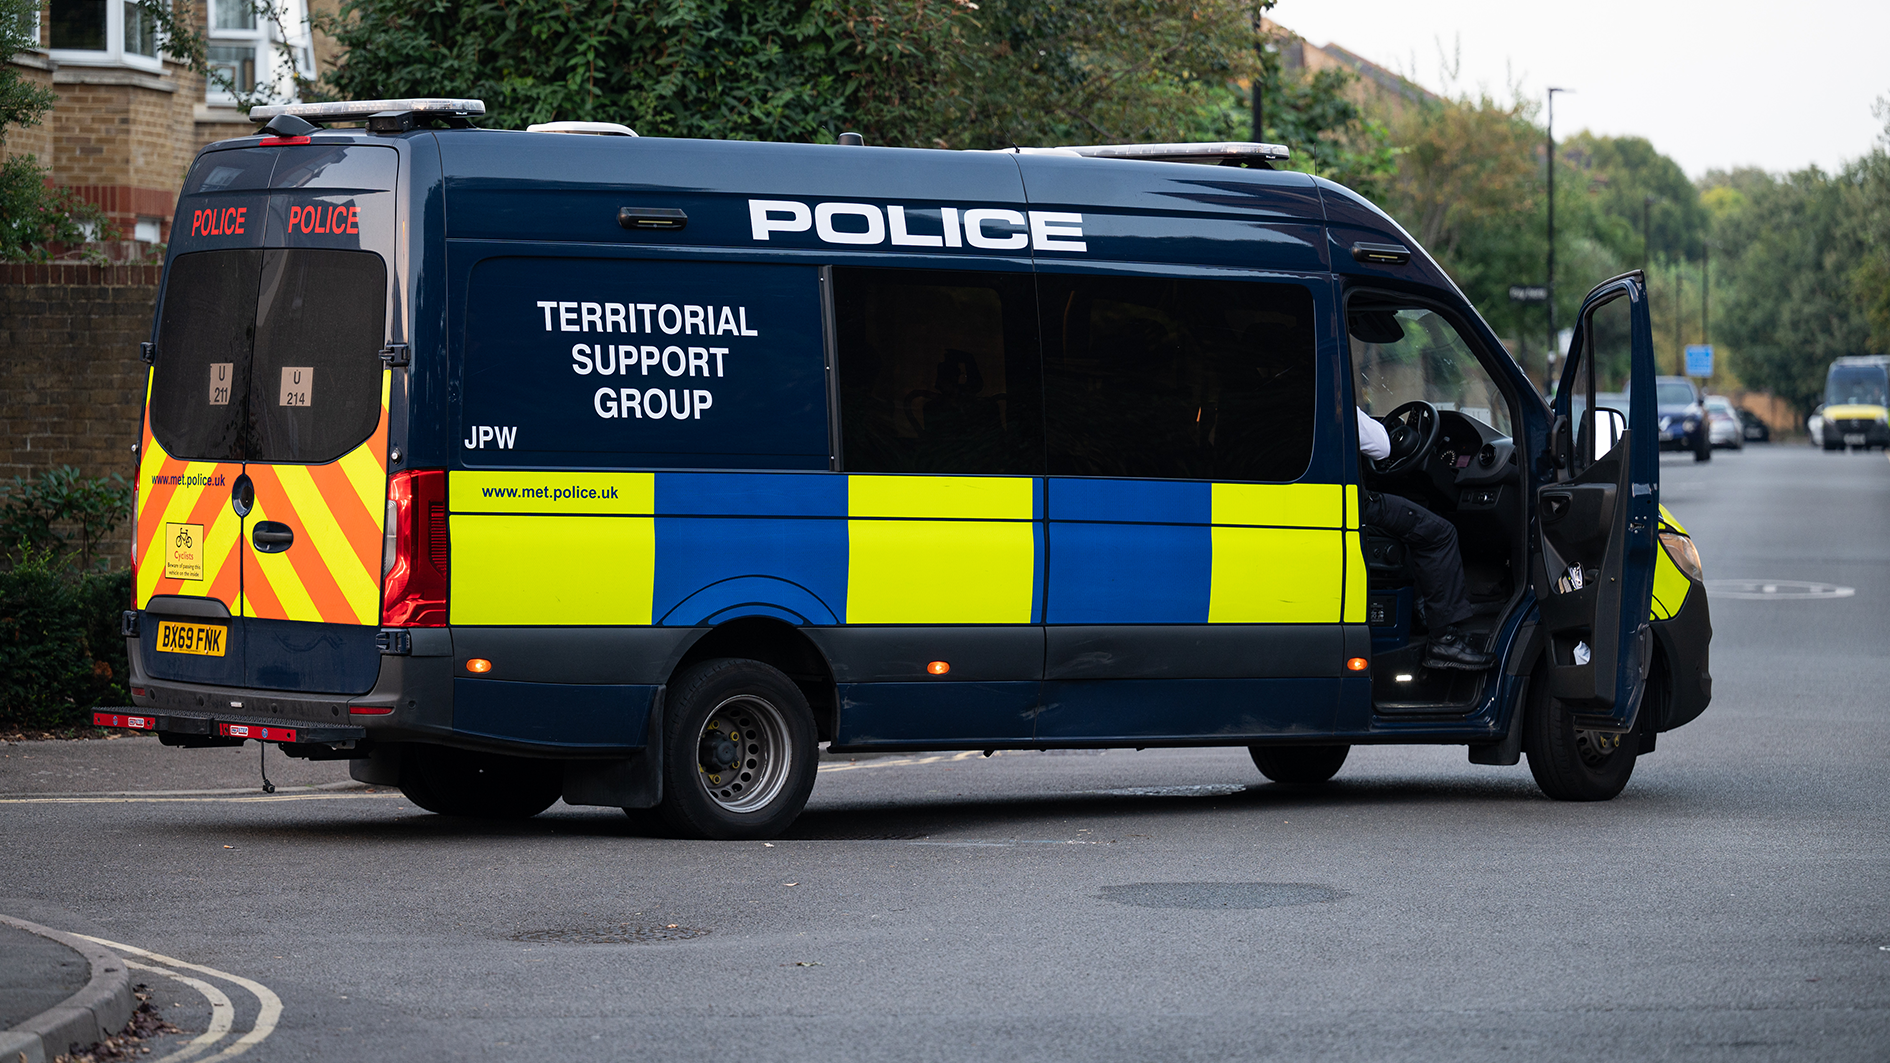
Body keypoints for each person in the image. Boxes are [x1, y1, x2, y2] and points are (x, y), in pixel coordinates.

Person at [1356, 408, 1495, 671]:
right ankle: (1444, 640)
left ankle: (1422, 610)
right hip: (1358, 505)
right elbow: (1382, 447)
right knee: (1438, 533)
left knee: (1411, 519)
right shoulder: (1336, 400)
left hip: (1332, 503)